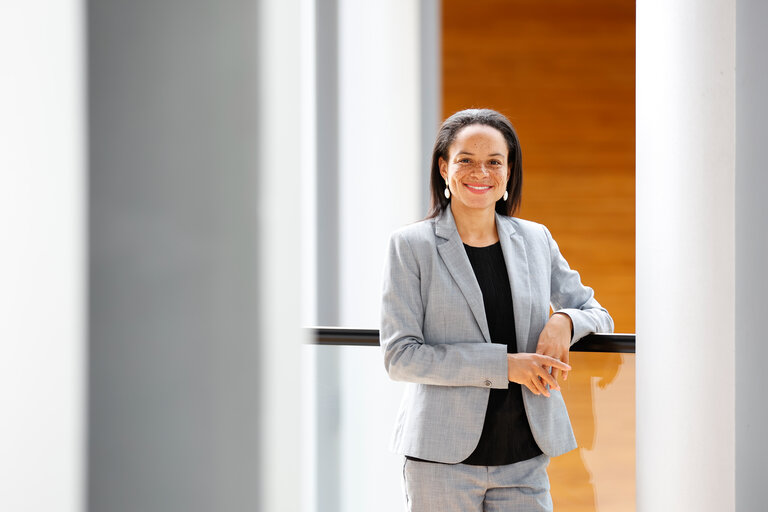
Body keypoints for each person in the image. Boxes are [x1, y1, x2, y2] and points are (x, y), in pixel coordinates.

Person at [380, 108, 614, 512]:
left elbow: (596, 312)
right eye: (465, 160)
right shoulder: (411, 246)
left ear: (508, 173)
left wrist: (564, 320)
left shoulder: (535, 239)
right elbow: (400, 357)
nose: (480, 172)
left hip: (524, 459)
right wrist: (505, 366)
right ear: (443, 168)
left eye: (494, 162)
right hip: (441, 461)